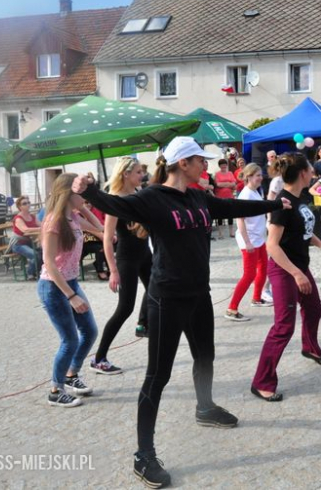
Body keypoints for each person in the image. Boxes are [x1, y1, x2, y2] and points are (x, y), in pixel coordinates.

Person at [72, 136, 286, 489]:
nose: (206, 165)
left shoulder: (199, 197)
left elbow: (231, 209)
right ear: (183, 163)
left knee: (206, 356)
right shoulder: (152, 198)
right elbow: (114, 204)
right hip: (166, 297)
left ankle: (204, 407)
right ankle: (144, 455)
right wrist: (90, 192)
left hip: (198, 293)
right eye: (200, 160)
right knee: (159, 375)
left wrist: (272, 205)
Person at [251, 153, 321, 401]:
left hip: (298, 266)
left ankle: (310, 348)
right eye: (311, 169)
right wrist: (297, 274)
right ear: (302, 174)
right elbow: (272, 246)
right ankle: (262, 381)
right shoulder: (282, 203)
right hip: (284, 268)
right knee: (283, 326)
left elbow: (304, 231)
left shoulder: (300, 199)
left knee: (314, 308)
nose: (313, 173)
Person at [38, 173, 102, 409]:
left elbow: (101, 228)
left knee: (90, 331)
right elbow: (49, 264)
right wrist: (71, 296)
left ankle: (71, 374)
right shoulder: (54, 221)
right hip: (54, 287)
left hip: (71, 282)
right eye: (81, 191)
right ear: (68, 193)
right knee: (70, 340)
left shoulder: (72, 217)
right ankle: (55, 390)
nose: (85, 195)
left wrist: (83, 208)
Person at [90, 157, 152, 375]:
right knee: (124, 308)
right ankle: (99, 358)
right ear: (125, 174)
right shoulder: (115, 200)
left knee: (158, 288)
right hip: (127, 259)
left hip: (145, 253)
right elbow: (107, 239)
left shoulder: (138, 195)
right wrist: (113, 271)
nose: (142, 176)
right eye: (137, 172)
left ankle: (144, 324)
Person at [226, 163, 272, 321]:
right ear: (249, 177)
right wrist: (247, 242)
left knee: (264, 268)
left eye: (261, 175)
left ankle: (257, 298)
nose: (261, 178)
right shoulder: (245, 195)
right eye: (257, 175)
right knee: (249, 274)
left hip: (258, 238)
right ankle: (232, 309)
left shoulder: (255, 191)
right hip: (249, 240)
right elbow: (240, 220)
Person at [10, 196, 40, 279]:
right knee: (35, 255)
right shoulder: (18, 218)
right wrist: (40, 229)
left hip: (30, 242)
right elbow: (25, 230)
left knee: (44, 253)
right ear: (20, 207)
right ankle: (30, 273)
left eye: (28, 202)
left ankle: (38, 272)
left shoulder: (33, 216)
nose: (27, 204)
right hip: (18, 244)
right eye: (24, 203)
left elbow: (41, 224)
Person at [81, 201, 109, 280]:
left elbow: (102, 224)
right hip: (85, 241)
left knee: (109, 245)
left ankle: (110, 268)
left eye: (89, 202)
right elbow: (84, 227)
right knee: (101, 247)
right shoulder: (77, 213)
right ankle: (100, 270)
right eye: (86, 202)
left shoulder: (96, 210)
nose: (88, 204)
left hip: (98, 237)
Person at [214, 159, 237, 239]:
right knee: (220, 215)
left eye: (225, 164)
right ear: (219, 166)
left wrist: (225, 184)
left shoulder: (230, 173)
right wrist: (228, 184)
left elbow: (234, 183)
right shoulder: (217, 174)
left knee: (230, 214)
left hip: (229, 196)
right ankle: (220, 233)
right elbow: (218, 184)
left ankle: (231, 232)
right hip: (220, 197)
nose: (223, 166)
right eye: (222, 164)